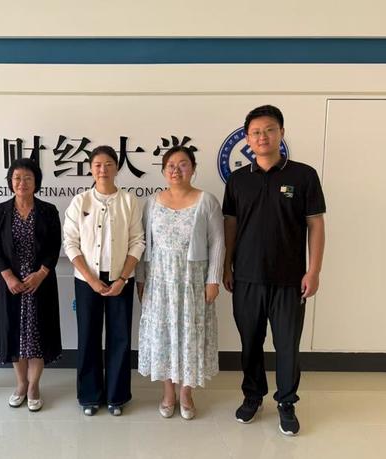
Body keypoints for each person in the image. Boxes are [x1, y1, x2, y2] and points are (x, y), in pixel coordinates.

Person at [222, 105, 326, 436]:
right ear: (247, 138)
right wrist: (226, 266)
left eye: (269, 130)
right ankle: (252, 397)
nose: (262, 136)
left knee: (287, 346)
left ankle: (286, 403)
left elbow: (315, 224)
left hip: (290, 280)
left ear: (281, 132)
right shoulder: (238, 180)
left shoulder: (303, 175)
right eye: (255, 132)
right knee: (250, 343)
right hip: (246, 278)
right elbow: (230, 225)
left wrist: (314, 271)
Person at [136, 146, 225, 420]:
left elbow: (218, 242)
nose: (176, 170)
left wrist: (213, 279)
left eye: (183, 164)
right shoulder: (152, 202)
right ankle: (168, 393)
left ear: (193, 168)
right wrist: (141, 279)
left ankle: (186, 393)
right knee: (163, 335)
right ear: (164, 171)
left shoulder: (207, 201)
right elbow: (142, 244)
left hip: (192, 280)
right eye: (171, 165)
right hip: (159, 280)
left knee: (190, 334)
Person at [62, 145, 145, 416]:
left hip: (121, 278)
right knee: (88, 336)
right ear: (90, 168)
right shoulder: (80, 201)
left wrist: (122, 278)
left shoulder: (128, 201)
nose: (103, 169)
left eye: (109, 164)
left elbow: (137, 241)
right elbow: (70, 244)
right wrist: (91, 279)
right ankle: (89, 396)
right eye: (97, 164)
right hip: (87, 280)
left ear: (117, 168)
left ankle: (116, 397)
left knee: (120, 337)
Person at [0, 158, 62, 412]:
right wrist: (8, 276)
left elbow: (55, 245)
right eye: (17, 178)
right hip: (11, 285)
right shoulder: (0, 211)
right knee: (15, 335)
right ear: (10, 181)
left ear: (36, 182)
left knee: (38, 335)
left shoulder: (48, 210)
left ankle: (34, 386)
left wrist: (41, 273)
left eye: (28, 178)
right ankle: (21, 384)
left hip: (40, 284)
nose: (22, 183)